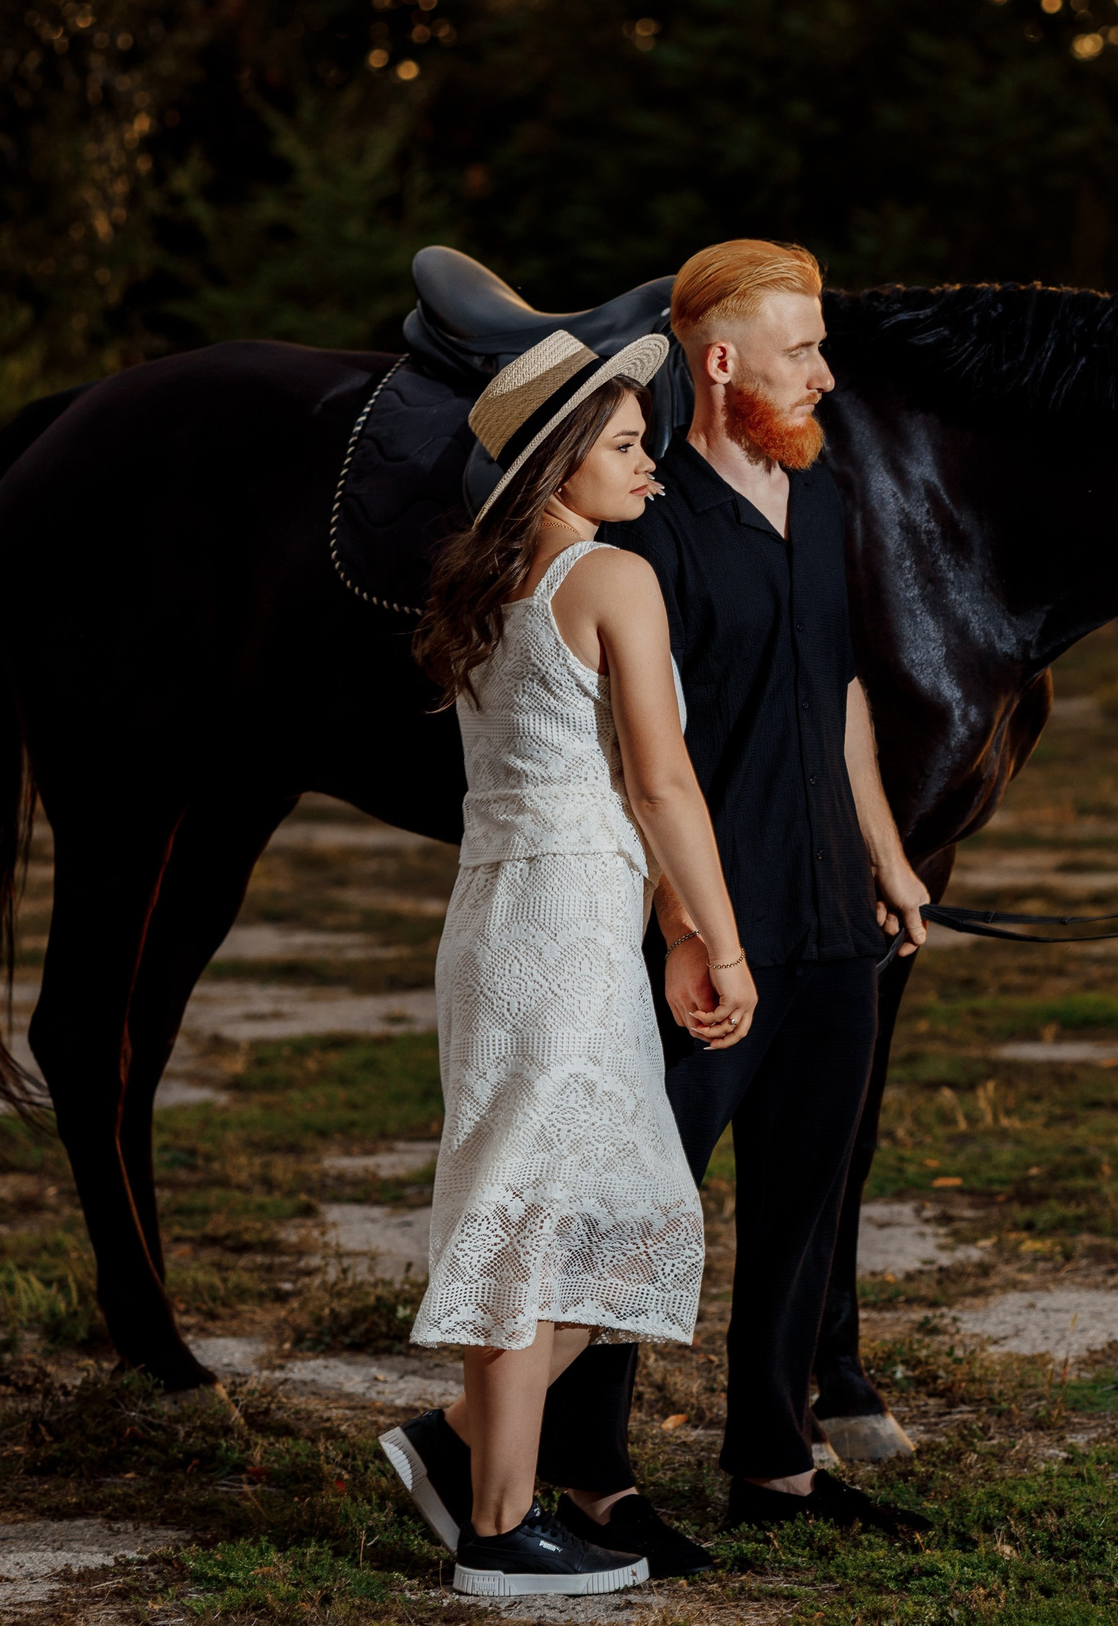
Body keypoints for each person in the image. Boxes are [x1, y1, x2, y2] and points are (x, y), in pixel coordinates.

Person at [538, 238, 936, 1569]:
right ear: (721, 361)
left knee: (804, 1193)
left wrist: (886, 852)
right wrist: (680, 920)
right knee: (643, 1198)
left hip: (831, 907)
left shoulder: (820, 494)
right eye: (801, 349)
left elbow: (840, 692)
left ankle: (776, 1458)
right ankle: (588, 1476)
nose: (826, 370)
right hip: (707, 919)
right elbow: (620, 751)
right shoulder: (645, 515)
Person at [379, 330, 759, 1598]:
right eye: (620, 444)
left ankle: (464, 1444)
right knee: (549, 1215)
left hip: (506, 916)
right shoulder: (611, 579)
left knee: (597, 1208)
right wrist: (716, 932)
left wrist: (660, 921)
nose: (647, 464)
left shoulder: (487, 585)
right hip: (561, 918)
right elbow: (657, 781)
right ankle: (496, 1529)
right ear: (554, 469)